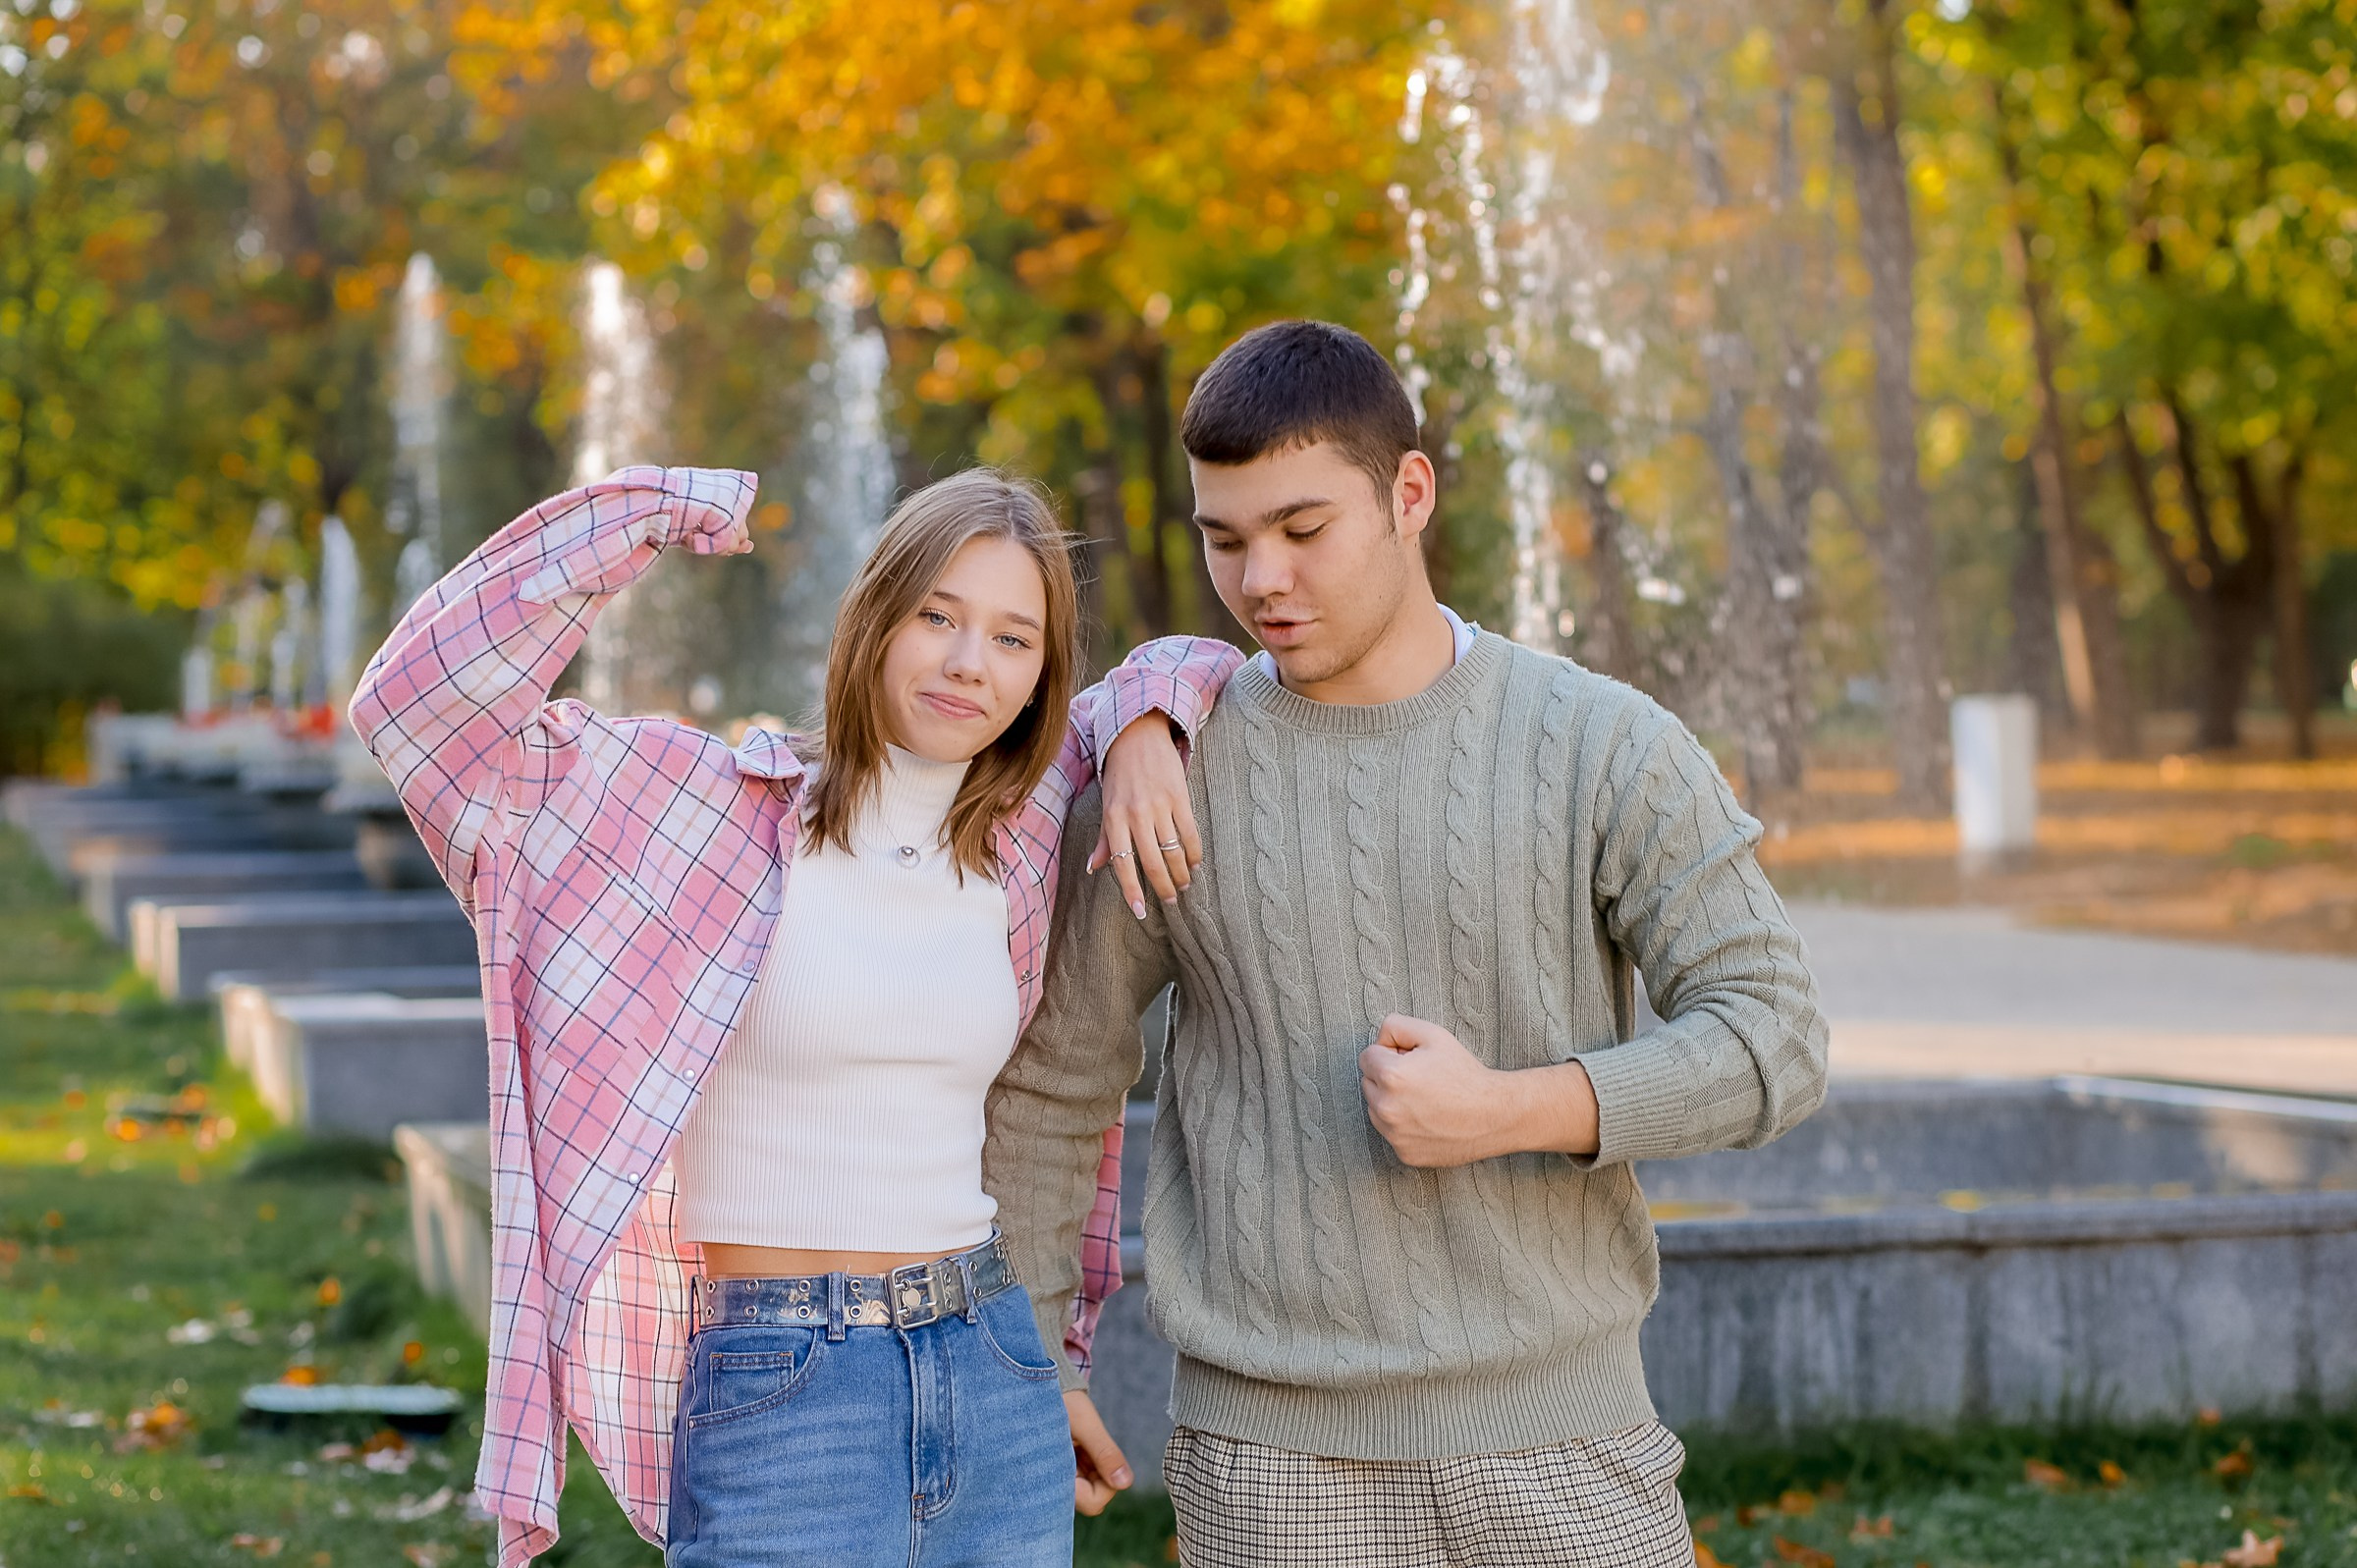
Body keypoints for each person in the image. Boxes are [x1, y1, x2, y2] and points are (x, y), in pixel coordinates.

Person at [985, 320, 1832, 1566]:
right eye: (1226, 539)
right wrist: (1036, 1361)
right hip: (1270, 1471)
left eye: (1303, 529)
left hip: (1568, 1448)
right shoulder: (1169, 771)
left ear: (1410, 493)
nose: (1262, 579)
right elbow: (1056, 1084)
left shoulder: (1607, 743)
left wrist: (1511, 1109)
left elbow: (1776, 1038)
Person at [350, 462, 1241, 1568]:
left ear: (1040, 677)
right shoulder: (703, 811)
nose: (970, 661)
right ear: (874, 617)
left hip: (991, 1363)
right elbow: (412, 708)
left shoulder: (1020, 829)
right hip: (786, 1381)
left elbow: (1199, 663)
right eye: (938, 616)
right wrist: (645, 511)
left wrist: (1146, 725)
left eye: (1014, 639)